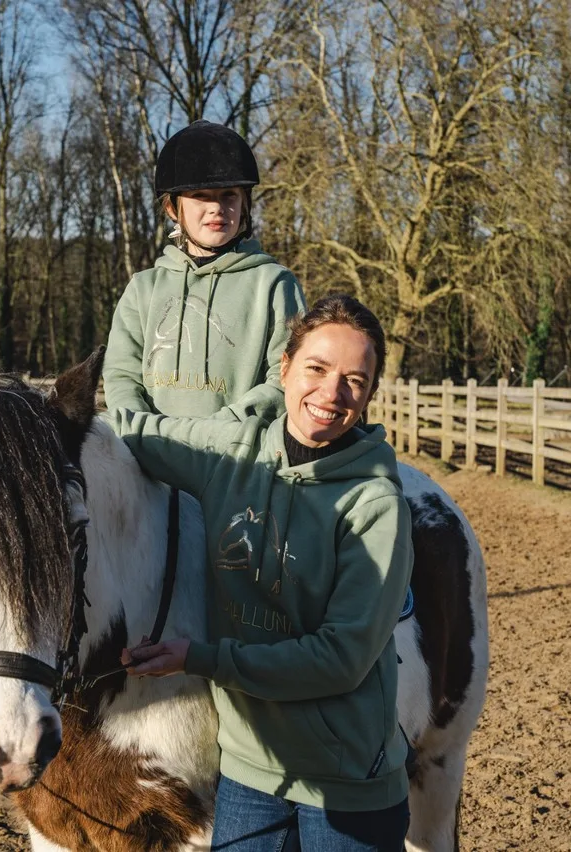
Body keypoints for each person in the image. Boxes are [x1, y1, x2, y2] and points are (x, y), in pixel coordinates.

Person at [108, 295, 413, 851]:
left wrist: (201, 659)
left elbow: (340, 660)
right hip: (249, 773)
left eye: (354, 381)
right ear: (284, 369)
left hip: (344, 781)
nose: (331, 394)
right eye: (316, 369)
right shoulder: (234, 453)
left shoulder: (375, 506)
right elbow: (138, 435)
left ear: (370, 395)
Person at [102, 120, 305, 419]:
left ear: (245, 203)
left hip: (236, 444)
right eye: (201, 196)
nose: (216, 208)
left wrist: (222, 429)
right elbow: (121, 374)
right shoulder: (143, 288)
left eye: (228, 195)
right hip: (151, 444)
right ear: (172, 208)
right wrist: (142, 429)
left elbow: (285, 374)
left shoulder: (274, 284)